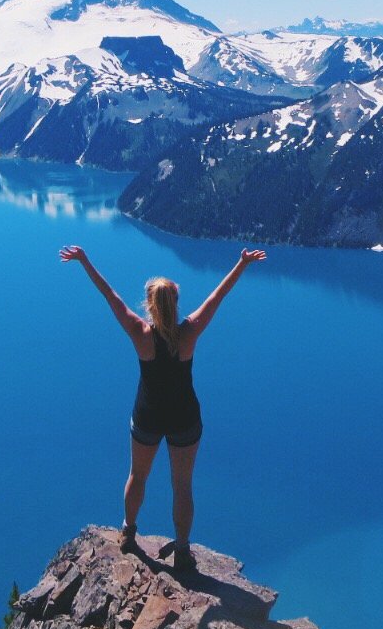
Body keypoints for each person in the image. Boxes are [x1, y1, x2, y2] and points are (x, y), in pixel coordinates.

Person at [59, 243, 266, 572]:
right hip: (185, 417)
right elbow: (217, 297)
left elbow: (110, 296)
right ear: (175, 304)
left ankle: (128, 532)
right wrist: (241, 264)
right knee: (182, 486)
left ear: (150, 306)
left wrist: (85, 261)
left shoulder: (140, 333)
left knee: (137, 476)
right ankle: (182, 550)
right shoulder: (189, 333)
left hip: (148, 416)